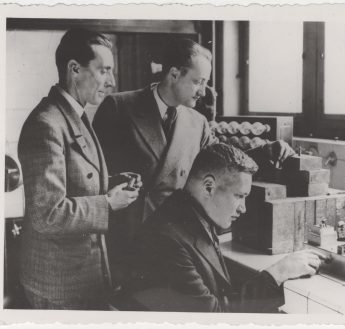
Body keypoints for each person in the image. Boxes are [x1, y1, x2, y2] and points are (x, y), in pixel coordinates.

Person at [92, 38, 295, 286]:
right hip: (130, 238)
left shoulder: (197, 121)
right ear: (174, 74)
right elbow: (96, 174)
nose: (203, 91)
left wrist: (267, 151)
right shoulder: (119, 107)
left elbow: (222, 160)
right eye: (198, 82)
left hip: (175, 238)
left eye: (206, 83)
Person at [116, 143, 326, 312]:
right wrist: (278, 272)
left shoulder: (189, 213)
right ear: (208, 186)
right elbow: (214, 317)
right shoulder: (166, 240)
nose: (243, 208)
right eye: (239, 196)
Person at [17, 28, 141, 310]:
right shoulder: (46, 124)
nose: (111, 82)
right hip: (59, 286)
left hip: (83, 277)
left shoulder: (74, 114)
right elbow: (47, 215)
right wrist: (108, 204)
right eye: (104, 70)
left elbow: (75, 180)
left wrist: (111, 182)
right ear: (74, 69)